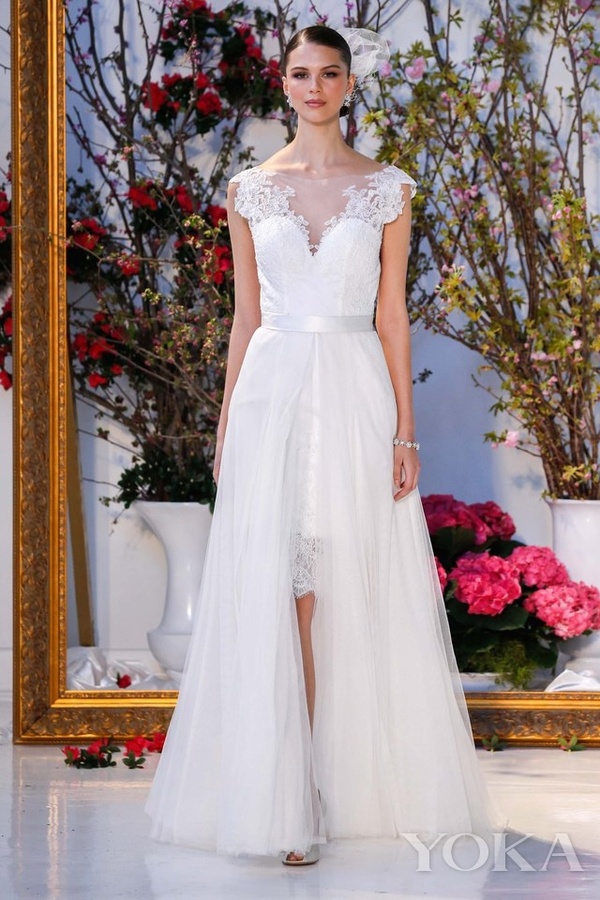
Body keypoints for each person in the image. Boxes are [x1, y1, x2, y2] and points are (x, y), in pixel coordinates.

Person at [146, 24, 495, 866]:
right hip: (270, 398)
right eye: (300, 73)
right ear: (284, 83)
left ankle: (351, 784)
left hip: (352, 392)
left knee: (345, 582)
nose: (313, 87)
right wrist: (226, 426)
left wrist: (406, 430)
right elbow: (245, 318)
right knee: (283, 588)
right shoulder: (249, 191)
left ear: (348, 85)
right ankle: (291, 793)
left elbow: (391, 316)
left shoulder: (387, 190)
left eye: (328, 73)